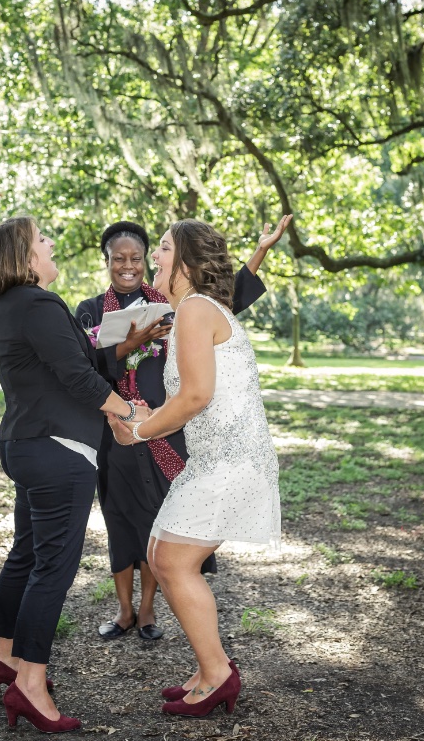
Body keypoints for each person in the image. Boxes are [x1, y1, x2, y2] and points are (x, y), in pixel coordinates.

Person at [75, 216, 291, 642]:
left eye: (145, 254)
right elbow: (83, 366)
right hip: (122, 426)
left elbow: (226, 300)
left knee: (164, 542)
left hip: (170, 432)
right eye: (120, 258)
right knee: (128, 526)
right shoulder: (89, 310)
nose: (135, 263)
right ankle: (127, 612)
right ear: (106, 261)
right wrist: (129, 352)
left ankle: (156, 617)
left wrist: (260, 250)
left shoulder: (180, 307)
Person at [0, 216, 149, 734]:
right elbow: (78, 378)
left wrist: (127, 345)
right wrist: (129, 414)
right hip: (57, 451)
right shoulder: (39, 303)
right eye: (42, 239)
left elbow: (76, 362)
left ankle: (6, 659)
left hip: (27, 446)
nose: (50, 244)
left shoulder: (14, 307)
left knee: (27, 554)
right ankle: (31, 685)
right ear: (28, 258)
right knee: (51, 568)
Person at [111, 219, 281, 718]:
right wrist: (145, 418)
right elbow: (196, 397)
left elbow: (197, 395)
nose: (153, 258)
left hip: (230, 461)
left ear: (183, 263)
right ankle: (211, 668)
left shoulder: (193, 310)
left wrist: (141, 431)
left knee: (172, 562)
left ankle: (217, 675)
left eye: (162, 248)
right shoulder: (199, 308)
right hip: (215, 459)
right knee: (161, 553)